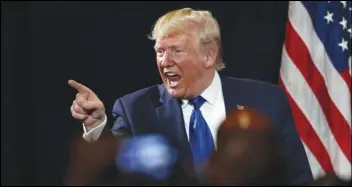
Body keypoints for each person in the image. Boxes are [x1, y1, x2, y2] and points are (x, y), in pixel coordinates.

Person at [68, 7, 313, 185]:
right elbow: (115, 177)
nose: (164, 62)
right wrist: (96, 127)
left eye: (176, 50)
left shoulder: (265, 100)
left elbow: (297, 178)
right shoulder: (135, 109)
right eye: (160, 51)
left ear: (209, 56)